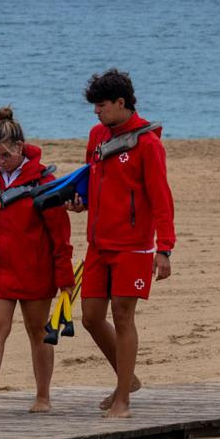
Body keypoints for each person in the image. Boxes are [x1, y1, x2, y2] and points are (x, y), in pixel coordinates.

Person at [67, 69, 175, 419]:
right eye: (94, 106)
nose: (96, 111)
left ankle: (123, 400)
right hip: (98, 244)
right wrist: (79, 201)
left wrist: (165, 248)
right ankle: (128, 380)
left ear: (120, 102)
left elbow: (162, 199)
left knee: (123, 317)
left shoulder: (148, 144)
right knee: (90, 317)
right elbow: (89, 181)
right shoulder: (97, 135)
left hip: (134, 247)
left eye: (101, 105)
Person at [0, 107, 74, 414]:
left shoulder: (45, 181)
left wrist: (65, 280)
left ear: (20, 148)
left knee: (38, 333)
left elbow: (60, 236)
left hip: (35, 269)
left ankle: (43, 396)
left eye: (4, 155)